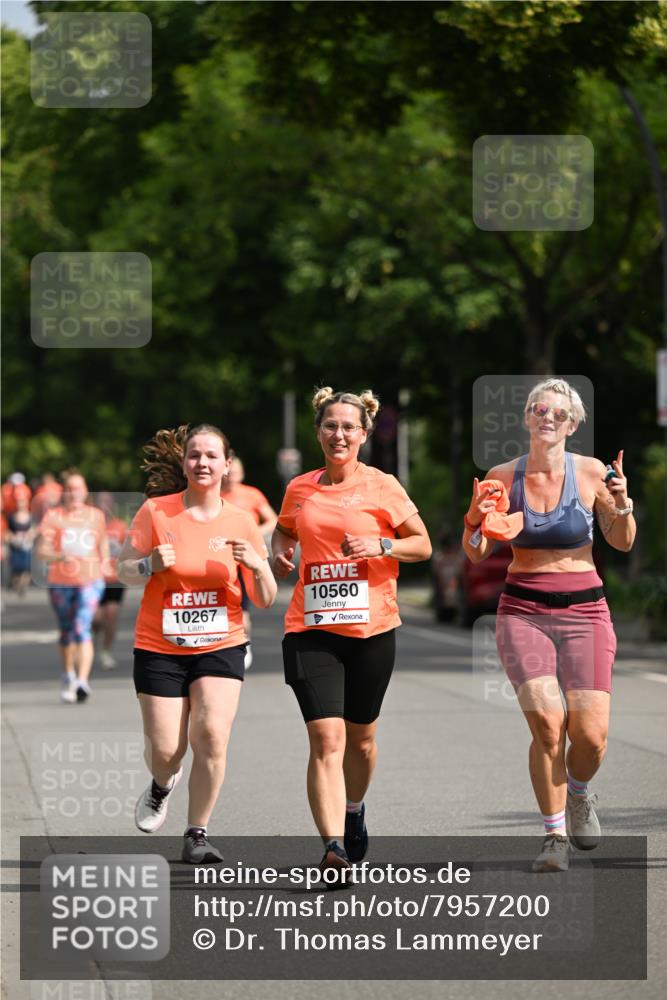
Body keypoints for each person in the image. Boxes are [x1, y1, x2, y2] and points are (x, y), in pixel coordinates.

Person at [462, 378, 635, 873]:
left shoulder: (592, 473)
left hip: (586, 613)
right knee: (548, 726)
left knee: (592, 735)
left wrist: (621, 502)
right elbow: (476, 553)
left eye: (559, 413)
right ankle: (554, 837)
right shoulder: (501, 475)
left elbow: (621, 542)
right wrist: (475, 519)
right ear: (527, 417)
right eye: (540, 409)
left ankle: (579, 793)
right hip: (523, 612)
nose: (548, 417)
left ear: (573, 423)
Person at [272, 388, 431, 880]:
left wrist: (382, 544)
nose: (338, 434)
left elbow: (421, 545)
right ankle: (333, 847)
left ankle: (354, 806)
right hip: (311, 627)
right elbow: (286, 529)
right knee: (326, 738)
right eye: (329, 426)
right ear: (317, 431)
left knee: (361, 741)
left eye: (348, 427)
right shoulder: (300, 487)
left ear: (363, 434)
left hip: (371, 628)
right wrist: (279, 548)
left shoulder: (383, 486)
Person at [117, 424, 277, 864]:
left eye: (211, 456)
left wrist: (258, 568)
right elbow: (122, 570)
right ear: (184, 462)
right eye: (194, 455)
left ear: (227, 465)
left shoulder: (241, 520)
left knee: (210, 735)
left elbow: (264, 599)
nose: (202, 463)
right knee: (167, 750)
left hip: (221, 642)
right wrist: (148, 564)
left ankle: (197, 833)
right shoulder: (156, 512)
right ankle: (161, 784)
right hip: (159, 645)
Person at [35, 471, 109, 703]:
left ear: (85, 491)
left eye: (79, 487)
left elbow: (103, 543)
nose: (74, 492)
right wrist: (59, 557)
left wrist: (105, 564)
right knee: (67, 629)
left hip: (90, 580)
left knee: (81, 625)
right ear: (64, 492)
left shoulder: (96, 516)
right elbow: (41, 552)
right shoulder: (53, 517)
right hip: (61, 581)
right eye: (70, 488)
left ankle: (82, 681)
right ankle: (68, 674)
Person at [221, 455, 278, 669]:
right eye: (228, 472)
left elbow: (273, 520)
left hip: (246, 562)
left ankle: (244, 643)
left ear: (242, 474)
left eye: (235, 472)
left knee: (243, 614)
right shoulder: (214, 496)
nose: (231, 477)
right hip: (221, 562)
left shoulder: (252, 495)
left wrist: (252, 533)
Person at [93, 491, 128, 669]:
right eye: (101, 502)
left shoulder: (120, 526)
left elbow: (129, 549)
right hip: (94, 577)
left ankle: (106, 650)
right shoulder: (91, 525)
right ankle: (91, 646)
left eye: (107, 502)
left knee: (111, 615)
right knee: (97, 618)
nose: (104, 505)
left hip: (114, 577)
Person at [6, 485, 35, 596]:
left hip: (27, 545)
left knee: (26, 567)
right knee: (16, 567)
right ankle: (16, 583)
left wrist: (30, 535)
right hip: (15, 545)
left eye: (23, 501)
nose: (20, 504)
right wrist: (12, 538)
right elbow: (7, 531)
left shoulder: (31, 516)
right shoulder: (11, 516)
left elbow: (35, 529)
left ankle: (23, 586)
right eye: (18, 501)